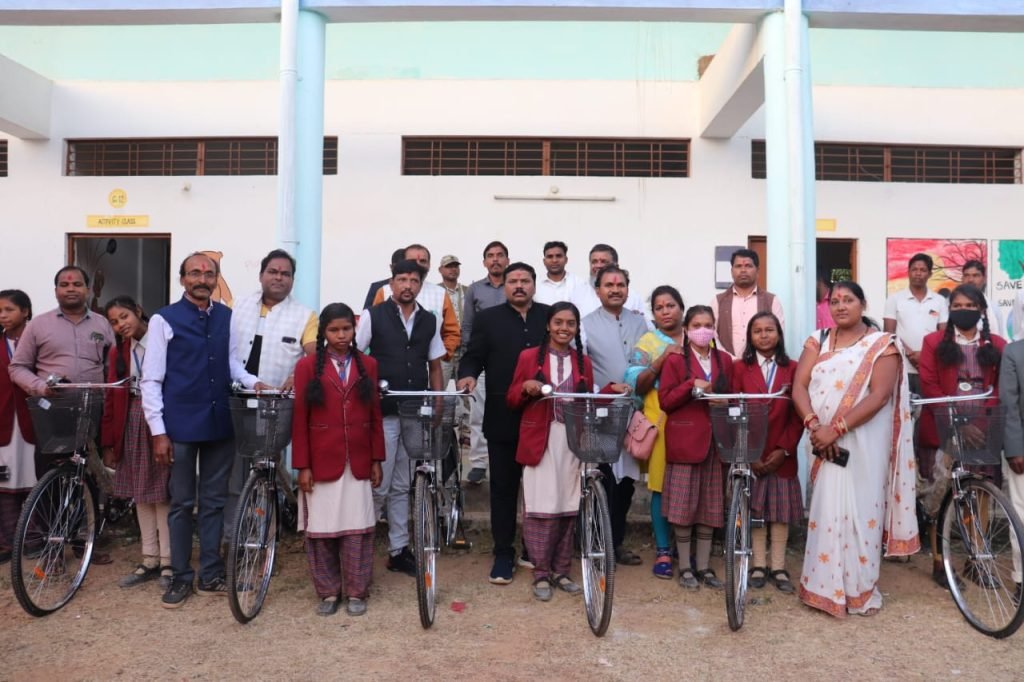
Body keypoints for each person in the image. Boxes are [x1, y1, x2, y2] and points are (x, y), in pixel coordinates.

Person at [141, 252, 265, 608]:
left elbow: (232, 365)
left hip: (219, 421)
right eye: (195, 273)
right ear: (182, 279)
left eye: (209, 274)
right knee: (182, 503)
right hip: (179, 424)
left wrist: (255, 384)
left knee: (213, 501)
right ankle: (180, 576)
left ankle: (210, 573)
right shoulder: (164, 319)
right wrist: (158, 431)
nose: (202, 279)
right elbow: (151, 379)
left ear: (216, 279)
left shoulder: (226, 316)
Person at [793, 281, 919, 618]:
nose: (840, 306)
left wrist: (835, 429)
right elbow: (799, 386)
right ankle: (823, 588)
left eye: (848, 300)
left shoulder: (881, 345)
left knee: (862, 512)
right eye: (834, 301)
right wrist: (814, 426)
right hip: (820, 439)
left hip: (863, 442)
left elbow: (879, 396)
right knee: (826, 508)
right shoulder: (817, 340)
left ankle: (858, 590)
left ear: (863, 304)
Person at [507, 301, 629, 600]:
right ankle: (540, 573)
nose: (564, 328)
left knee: (568, 505)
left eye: (570, 323)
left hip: (574, 442)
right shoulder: (528, 357)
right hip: (541, 441)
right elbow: (511, 399)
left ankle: (561, 570)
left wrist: (609, 391)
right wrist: (526, 387)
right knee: (541, 507)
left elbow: (586, 403)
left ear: (577, 328)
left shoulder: (582, 362)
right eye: (558, 322)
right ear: (548, 325)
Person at [8, 267, 117, 565]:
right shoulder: (39, 325)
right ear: (56, 290)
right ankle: (52, 548)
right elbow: (17, 367)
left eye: (77, 284)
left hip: (92, 410)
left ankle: (84, 542)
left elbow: (113, 365)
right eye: (64, 284)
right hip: (52, 413)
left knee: (88, 477)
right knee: (51, 479)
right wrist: (40, 387)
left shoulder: (102, 324)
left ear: (87, 289)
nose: (71, 289)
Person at [458, 262, 550, 584]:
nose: (519, 285)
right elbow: (473, 355)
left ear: (534, 285)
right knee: (503, 488)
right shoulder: (488, 319)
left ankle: (533, 547)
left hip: (543, 416)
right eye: (513, 281)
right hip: (502, 415)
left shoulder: (548, 317)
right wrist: (467, 375)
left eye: (525, 280)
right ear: (505, 286)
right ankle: (503, 553)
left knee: (539, 488)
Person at [293, 303, 385, 617]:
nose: (341, 335)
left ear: (354, 329)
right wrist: (303, 466)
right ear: (323, 333)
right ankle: (328, 591)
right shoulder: (307, 367)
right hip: (321, 461)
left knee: (358, 527)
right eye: (334, 330)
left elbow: (375, 414)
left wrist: (376, 458)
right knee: (322, 529)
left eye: (346, 329)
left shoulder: (368, 364)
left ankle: (357, 591)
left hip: (358, 459)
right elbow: (300, 419)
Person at [357, 259, 445, 577]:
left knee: (401, 485)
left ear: (421, 284)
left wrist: (437, 402)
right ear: (391, 283)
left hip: (414, 412)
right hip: (382, 412)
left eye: (414, 280)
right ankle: (361, 550)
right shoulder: (373, 315)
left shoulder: (429, 320)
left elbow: (435, 365)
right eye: (402, 279)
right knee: (378, 485)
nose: (408, 285)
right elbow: (357, 357)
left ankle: (398, 550)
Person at [917, 284, 1006, 587]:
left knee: (980, 496)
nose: (963, 310)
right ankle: (940, 561)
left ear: (982, 310)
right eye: (957, 306)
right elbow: (929, 385)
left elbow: (1000, 389)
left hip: (983, 433)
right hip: (942, 431)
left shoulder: (998, 345)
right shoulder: (932, 342)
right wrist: (959, 424)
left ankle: (976, 561)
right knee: (940, 496)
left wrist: (978, 425)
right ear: (949, 310)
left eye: (970, 305)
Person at [658, 305, 733, 590]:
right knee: (683, 506)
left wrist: (724, 401)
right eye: (697, 325)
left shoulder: (724, 359)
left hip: (715, 441)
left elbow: (732, 395)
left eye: (708, 325)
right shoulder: (676, 360)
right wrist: (692, 385)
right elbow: (665, 401)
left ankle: (703, 566)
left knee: (709, 505)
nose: (703, 330)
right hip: (685, 441)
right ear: (687, 330)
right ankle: (686, 567)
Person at [100, 296, 172, 589]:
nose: (121, 325)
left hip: (160, 421)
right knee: (141, 492)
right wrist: (109, 441)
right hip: (131, 420)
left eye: (124, 317)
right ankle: (149, 557)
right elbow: (111, 395)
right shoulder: (119, 351)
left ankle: (168, 560)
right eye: (114, 322)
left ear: (139, 312)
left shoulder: (163, 340)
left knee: (162, 492)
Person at [731, 312, 803, 594]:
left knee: (780, 513)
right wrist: (750, 454)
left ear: (779, 334)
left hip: (782, 453)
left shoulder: (794, 368)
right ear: (750, 337)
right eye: (757, 331)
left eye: (769, 330)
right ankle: (758, 564)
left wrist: (784, 449)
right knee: (756, 509)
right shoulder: (739, 369)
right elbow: (734, 412)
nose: (763, 335)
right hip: (752, 453)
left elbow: (799, 413)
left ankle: (779, 566)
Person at [582, 265, 648, 566]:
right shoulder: (585, 324)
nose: (615, 290)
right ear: (598, 290)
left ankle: (616, 543)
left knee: (626, 484)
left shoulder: (640, 323)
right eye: (609, 285)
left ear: (627, 289)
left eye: (620, 285)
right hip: (602, 414)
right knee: (603, 479)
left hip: (634, 413)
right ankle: (597, 543)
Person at [625, 285, 685, 579]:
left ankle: (687, 549)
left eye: (670, 305)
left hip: (694, 420)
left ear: (681, 308)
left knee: (692, 482)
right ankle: (663, 550)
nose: (665, 312)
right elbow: (635, 382)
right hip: (660, 418)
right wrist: (662, 359)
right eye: (659, 308)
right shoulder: (648, 342)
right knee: (660, 485)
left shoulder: (700, 335)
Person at [460, 241, 511, 484]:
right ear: (484, 262)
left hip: (512, 359)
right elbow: (467, 324)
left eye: (500, 255)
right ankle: (479, 462)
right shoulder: (475, 290)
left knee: (512, 410)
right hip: (483, 360)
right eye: (491, 256)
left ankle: (513, 460)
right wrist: (470, 357)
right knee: (479, 412)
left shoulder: (515, 285)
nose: (495, 259)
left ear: (507, 260)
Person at [369, 244, 461, 366]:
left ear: (429, 265)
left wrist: (442, 354)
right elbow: (372, 329)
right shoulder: (384, 291)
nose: (418, 265)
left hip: (433, 366)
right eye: (412, 261)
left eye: (423, 261)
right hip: (389, 366)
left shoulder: (440, 293)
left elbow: (452, 331)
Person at [0, 289, 35, 564]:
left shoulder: (37, 341)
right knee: (4, 478)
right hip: (3, 422)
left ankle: (35, 538)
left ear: (25, 311)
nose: (3, 315)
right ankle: (7, 542)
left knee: (34, 477)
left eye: (9, 309)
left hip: (33, 420)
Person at [883, 252, 949, 393]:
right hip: (902, 366)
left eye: (923, 270)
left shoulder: (939, 301)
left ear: (929, 274)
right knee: (903, 405)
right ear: (908, 272)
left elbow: (944, 333)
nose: (918, 273)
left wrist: (924, 355)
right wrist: (910, 354)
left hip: (931, 366)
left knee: (929, 404)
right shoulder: (894, 299)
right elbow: (889, 333)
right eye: (914, 269)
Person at [710, 248, 785, 359]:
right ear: (731, 271)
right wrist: (730, 359)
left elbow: (778, 335)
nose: (743, 270)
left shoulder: (771, 301)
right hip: (726, 364)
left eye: (748, 266)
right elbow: (711, 335)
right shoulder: (718, 301)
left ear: (757, 271)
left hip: (761, 365)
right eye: (738, 266)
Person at [999, 334, 1024, 599]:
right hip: (1022, 450)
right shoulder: (1014, 352)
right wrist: (1015, 448)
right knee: (1022, 514)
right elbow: (1009, 403)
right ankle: (1022, 579)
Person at [576, 244, 645, 317]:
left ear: (616, 266)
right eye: (594, 262)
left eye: (603, 261)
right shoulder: (578, 293)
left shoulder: (633, 298)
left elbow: (645, 322)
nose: (598, 265)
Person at [438, 254, 468, 388]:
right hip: (443, 349)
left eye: (455, 266)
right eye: (448, 266)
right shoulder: (436, 292)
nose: (453, 269)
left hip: (464, 350)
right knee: (437, 391)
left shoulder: (468, 291)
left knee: (466, 392)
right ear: (440, 270)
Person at [961, 259, 1007, 339]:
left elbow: (1000, 338)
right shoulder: (951, 305)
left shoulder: (993, 307)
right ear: (962, 278)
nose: (970, 280)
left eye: (975, 275)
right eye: (967, 275)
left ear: (984, 279)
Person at [534, 241, 588, 308]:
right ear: (544, 261)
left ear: (566, 260)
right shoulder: (535, 286)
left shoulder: (580, 284)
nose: (554, 260)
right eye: (550, 257)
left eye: (558, 256)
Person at [363, 248, 406, 312]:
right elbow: (367, 314)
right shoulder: (377, 288)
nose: (402, 271)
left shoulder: (417, 287)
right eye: (398, 267)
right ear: (391, 267)